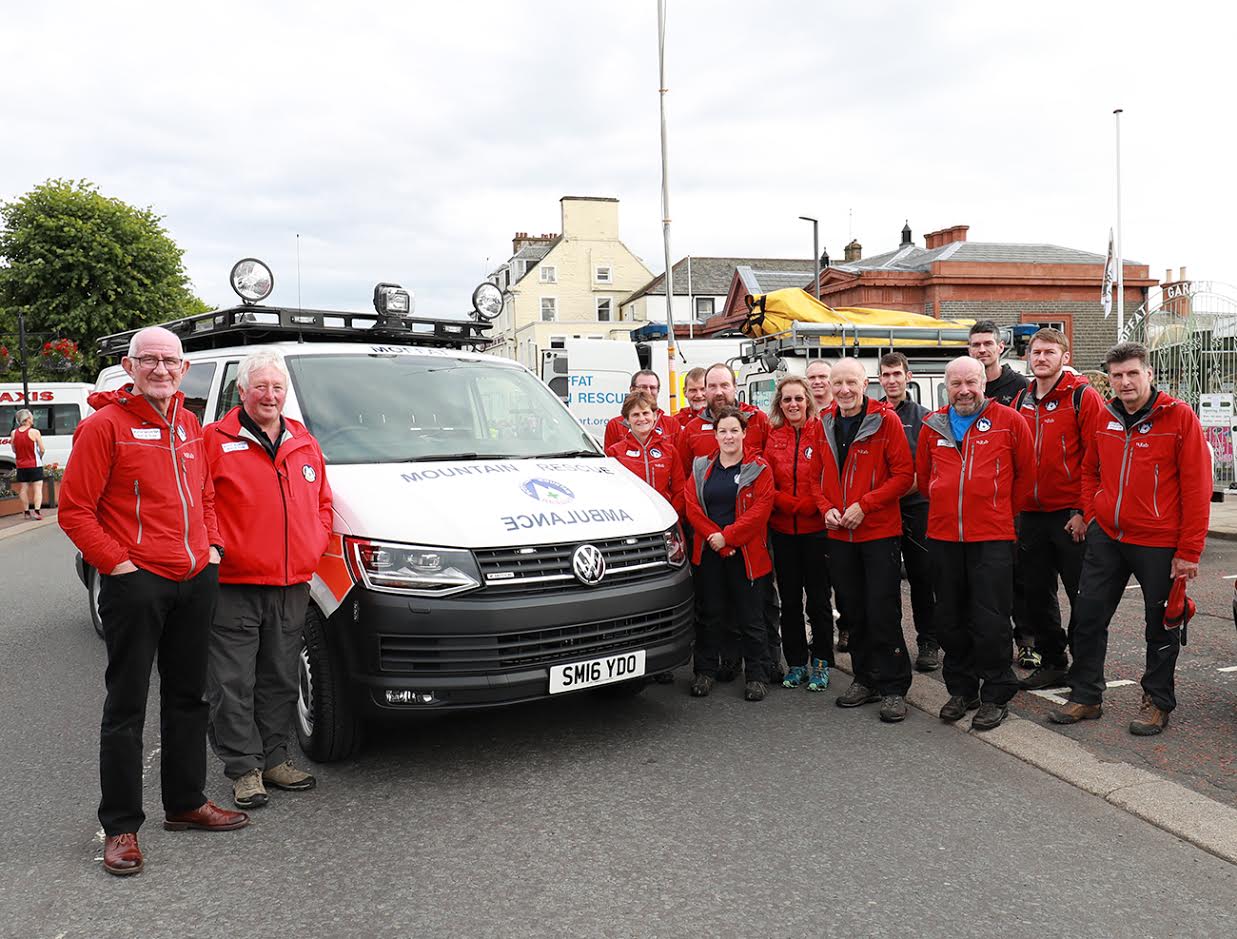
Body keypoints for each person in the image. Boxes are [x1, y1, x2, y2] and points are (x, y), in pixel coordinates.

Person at [59, 326, 248, 878]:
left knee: (190, 697)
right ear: (129, 365)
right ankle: (120, 827)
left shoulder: (189, 423)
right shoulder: (104, 427)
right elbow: (74, 510)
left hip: (194, 578)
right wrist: (119, 566)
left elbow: (207, 494)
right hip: (137, 584)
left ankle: (185, 803)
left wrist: (211, 546)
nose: (161, 370)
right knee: (126, 706)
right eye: (149, 361)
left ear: (183, 369)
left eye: (170, 361)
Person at [1049, 342, 1210, 736]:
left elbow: (1197, 488)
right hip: (1108, 537)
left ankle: (1157, 701)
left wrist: (1188, 552)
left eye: (1132, 374)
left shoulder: (1178, 418)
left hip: (1158, 540)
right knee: (1087, 617)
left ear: (1149, 374)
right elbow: (1090, 471)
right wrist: (1091, 513)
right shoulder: (1104, 417)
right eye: (1117, 376)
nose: (1125, 382)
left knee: (1161, 625)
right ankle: (1086, 695)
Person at [203, 350, 334, 809]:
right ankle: (244, 768)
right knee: (232, 682)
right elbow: (202, 503)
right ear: (241, 392)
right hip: (234, 585)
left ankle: (276, 758)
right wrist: (217, 547)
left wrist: (312, 543)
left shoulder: (304, 442)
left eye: (277, 388)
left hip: (291, 583)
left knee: (280, 676)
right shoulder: (214, 440)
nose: (270, 396)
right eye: (260, 387)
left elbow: (322, 502)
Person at [916, 356, 1033, 731]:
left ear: (984, 382)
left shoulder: (1010, 422)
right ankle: (962, 689)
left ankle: (996, 694)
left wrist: (996, 513)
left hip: (992, 538)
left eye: (971, 382)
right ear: (945, 387)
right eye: (956, 384)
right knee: (949, 618)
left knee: (991, 619)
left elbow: (1025, 478)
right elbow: (923, 479)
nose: (964, 390)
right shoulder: (932, 426)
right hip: (944, 536)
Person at [818, 358, 915, 722]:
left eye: (850, 382)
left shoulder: (885, 420)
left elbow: (904, 475)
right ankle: (865, 677)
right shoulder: (823, 422)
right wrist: (825, 507)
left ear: (864, 384)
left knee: (882, 610)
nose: (843, 389)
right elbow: (816, 478)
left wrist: (865, 505)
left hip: (878, 532)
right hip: (840, 534)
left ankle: (893, 686)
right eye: (837, 382)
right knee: (853, 610)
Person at [1011, 329, 1104, 691]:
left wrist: (1084, 510)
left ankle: (1085, 669)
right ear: (1028, 358)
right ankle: (1053, 660)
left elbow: (1097, 460)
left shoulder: (1083, 397)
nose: (1042, 358)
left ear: (1064, 357)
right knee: (1036, 594)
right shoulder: (1021, 399)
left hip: (1070, 513)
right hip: (1030, 514)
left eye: (1050, 352)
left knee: (1082, 594)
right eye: (1036, 352)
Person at [683, 407, 775, 701]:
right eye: (723, 430)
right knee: (710, 615)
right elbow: (692, 506)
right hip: (710, 551)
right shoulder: (700, 467)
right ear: (715, 434)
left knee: (751, 617)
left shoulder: (759, 468)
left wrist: (729, 537)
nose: (728, 436)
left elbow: (761, 511)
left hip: (745, 553)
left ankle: (757, 675)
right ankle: (705, 671)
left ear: (745, 433)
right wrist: (715, 537)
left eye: (734, 430)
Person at [968, 319, 1036, 667]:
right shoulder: (964, 389)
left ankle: (1027, 641)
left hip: (1010, 506)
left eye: (987, 344)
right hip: (977, 510)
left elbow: (1025, 457)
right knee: (987, 582)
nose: (982, 350)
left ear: (1000, 348)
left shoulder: (1019, 387)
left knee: (1020, 576)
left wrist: (1014, 504)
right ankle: (990, 643)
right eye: (976, 344)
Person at [765, 376, 832, 692]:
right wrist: (791, 504)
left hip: (816, 530)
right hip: (783, 530)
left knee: (818, 601)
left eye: (798, 399)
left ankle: (820, 663)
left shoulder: (821, 433)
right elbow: (766, 484)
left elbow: (827, 477)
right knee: (790, 601)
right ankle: (795, 662)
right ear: (780, 404)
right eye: (787, 399)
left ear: (809, 401)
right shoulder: (773, 437)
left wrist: (811, 504)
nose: (793, 405)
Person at [878, 352, 939, 671]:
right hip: (881, 513)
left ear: (908, 376)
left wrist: (898, 489)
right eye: (885, 375)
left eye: (896, 374)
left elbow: (926, 468)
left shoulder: (924, 417)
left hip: (916, 510)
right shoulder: (871, 415)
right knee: (884, 583)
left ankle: (929, 642)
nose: (891, 380)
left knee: (923, 579)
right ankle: (891, 647)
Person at [607, 391, 686, 517]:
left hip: (665, 518)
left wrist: (672, 515)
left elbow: (680, 490)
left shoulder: (669, 451)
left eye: (645, 413)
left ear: (654, 415)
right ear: (627, 419)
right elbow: (612, 492)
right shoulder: (615, 453)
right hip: (631, 519)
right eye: (635, 415)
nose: (642, 419)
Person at [603, 369, 679, 450]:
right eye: (643, 387)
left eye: (652, 387)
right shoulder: (615, 425)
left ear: (658, 390)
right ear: (632, 389)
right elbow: (610, 460)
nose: (648, 391)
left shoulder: (671, 424)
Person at [10, 408, 46, 520]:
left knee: (23, 488)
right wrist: (40, 456)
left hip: (21, 464)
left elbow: (13, 448)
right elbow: (42, 449)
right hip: (35, 464)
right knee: (37, 488)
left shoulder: (14, 433)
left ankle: (26, 512)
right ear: (27, 419)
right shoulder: (35, 432)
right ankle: (37, 511)